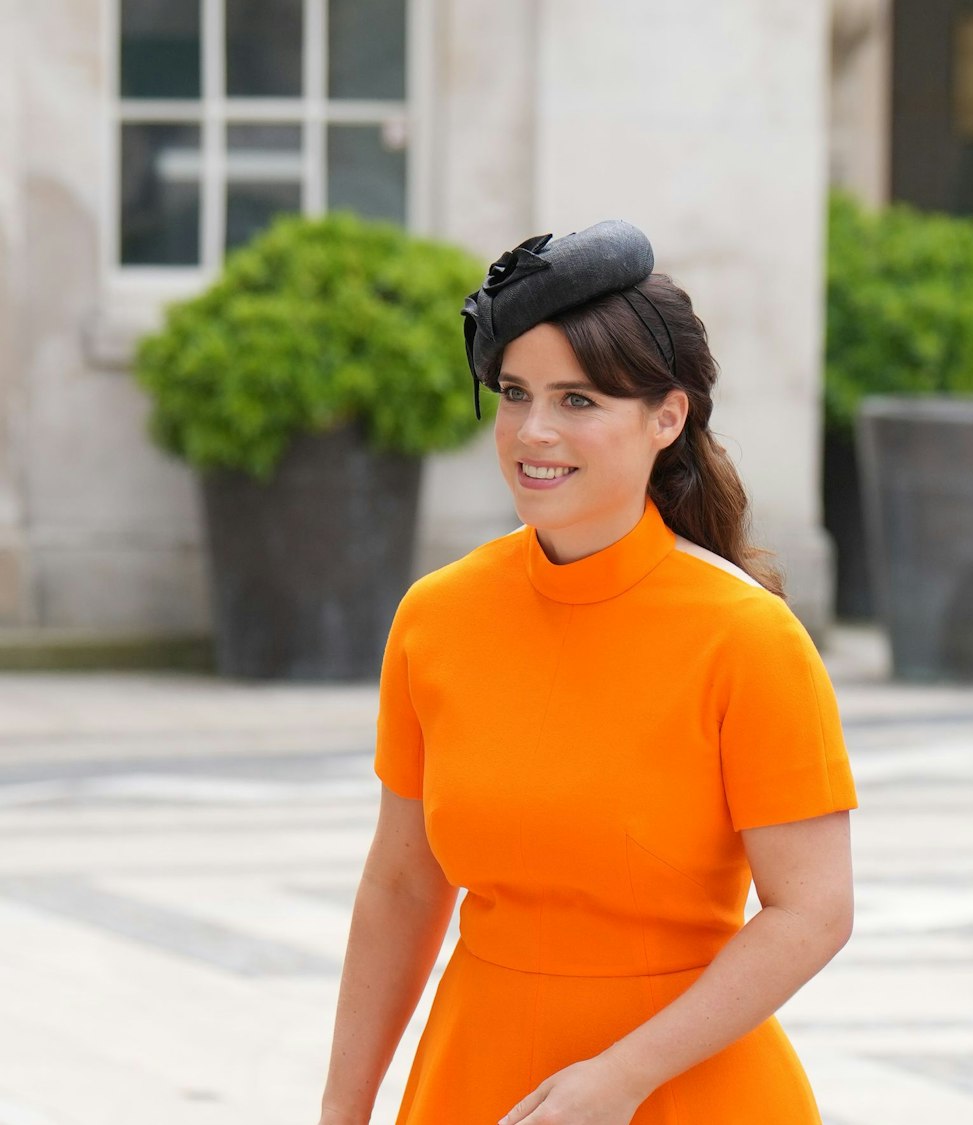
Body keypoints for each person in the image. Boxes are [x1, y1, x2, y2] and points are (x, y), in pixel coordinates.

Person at [317, 221, 858, 1124]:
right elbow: (404, 886)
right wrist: (343, 1106)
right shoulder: (437, 617)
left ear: (667, 416)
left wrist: (621, 1077)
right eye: (517, 392)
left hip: (687, 1090)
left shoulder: (748, 638)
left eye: (578, 400)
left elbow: (813, 911)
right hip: (471, 1078)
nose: (533, 431)